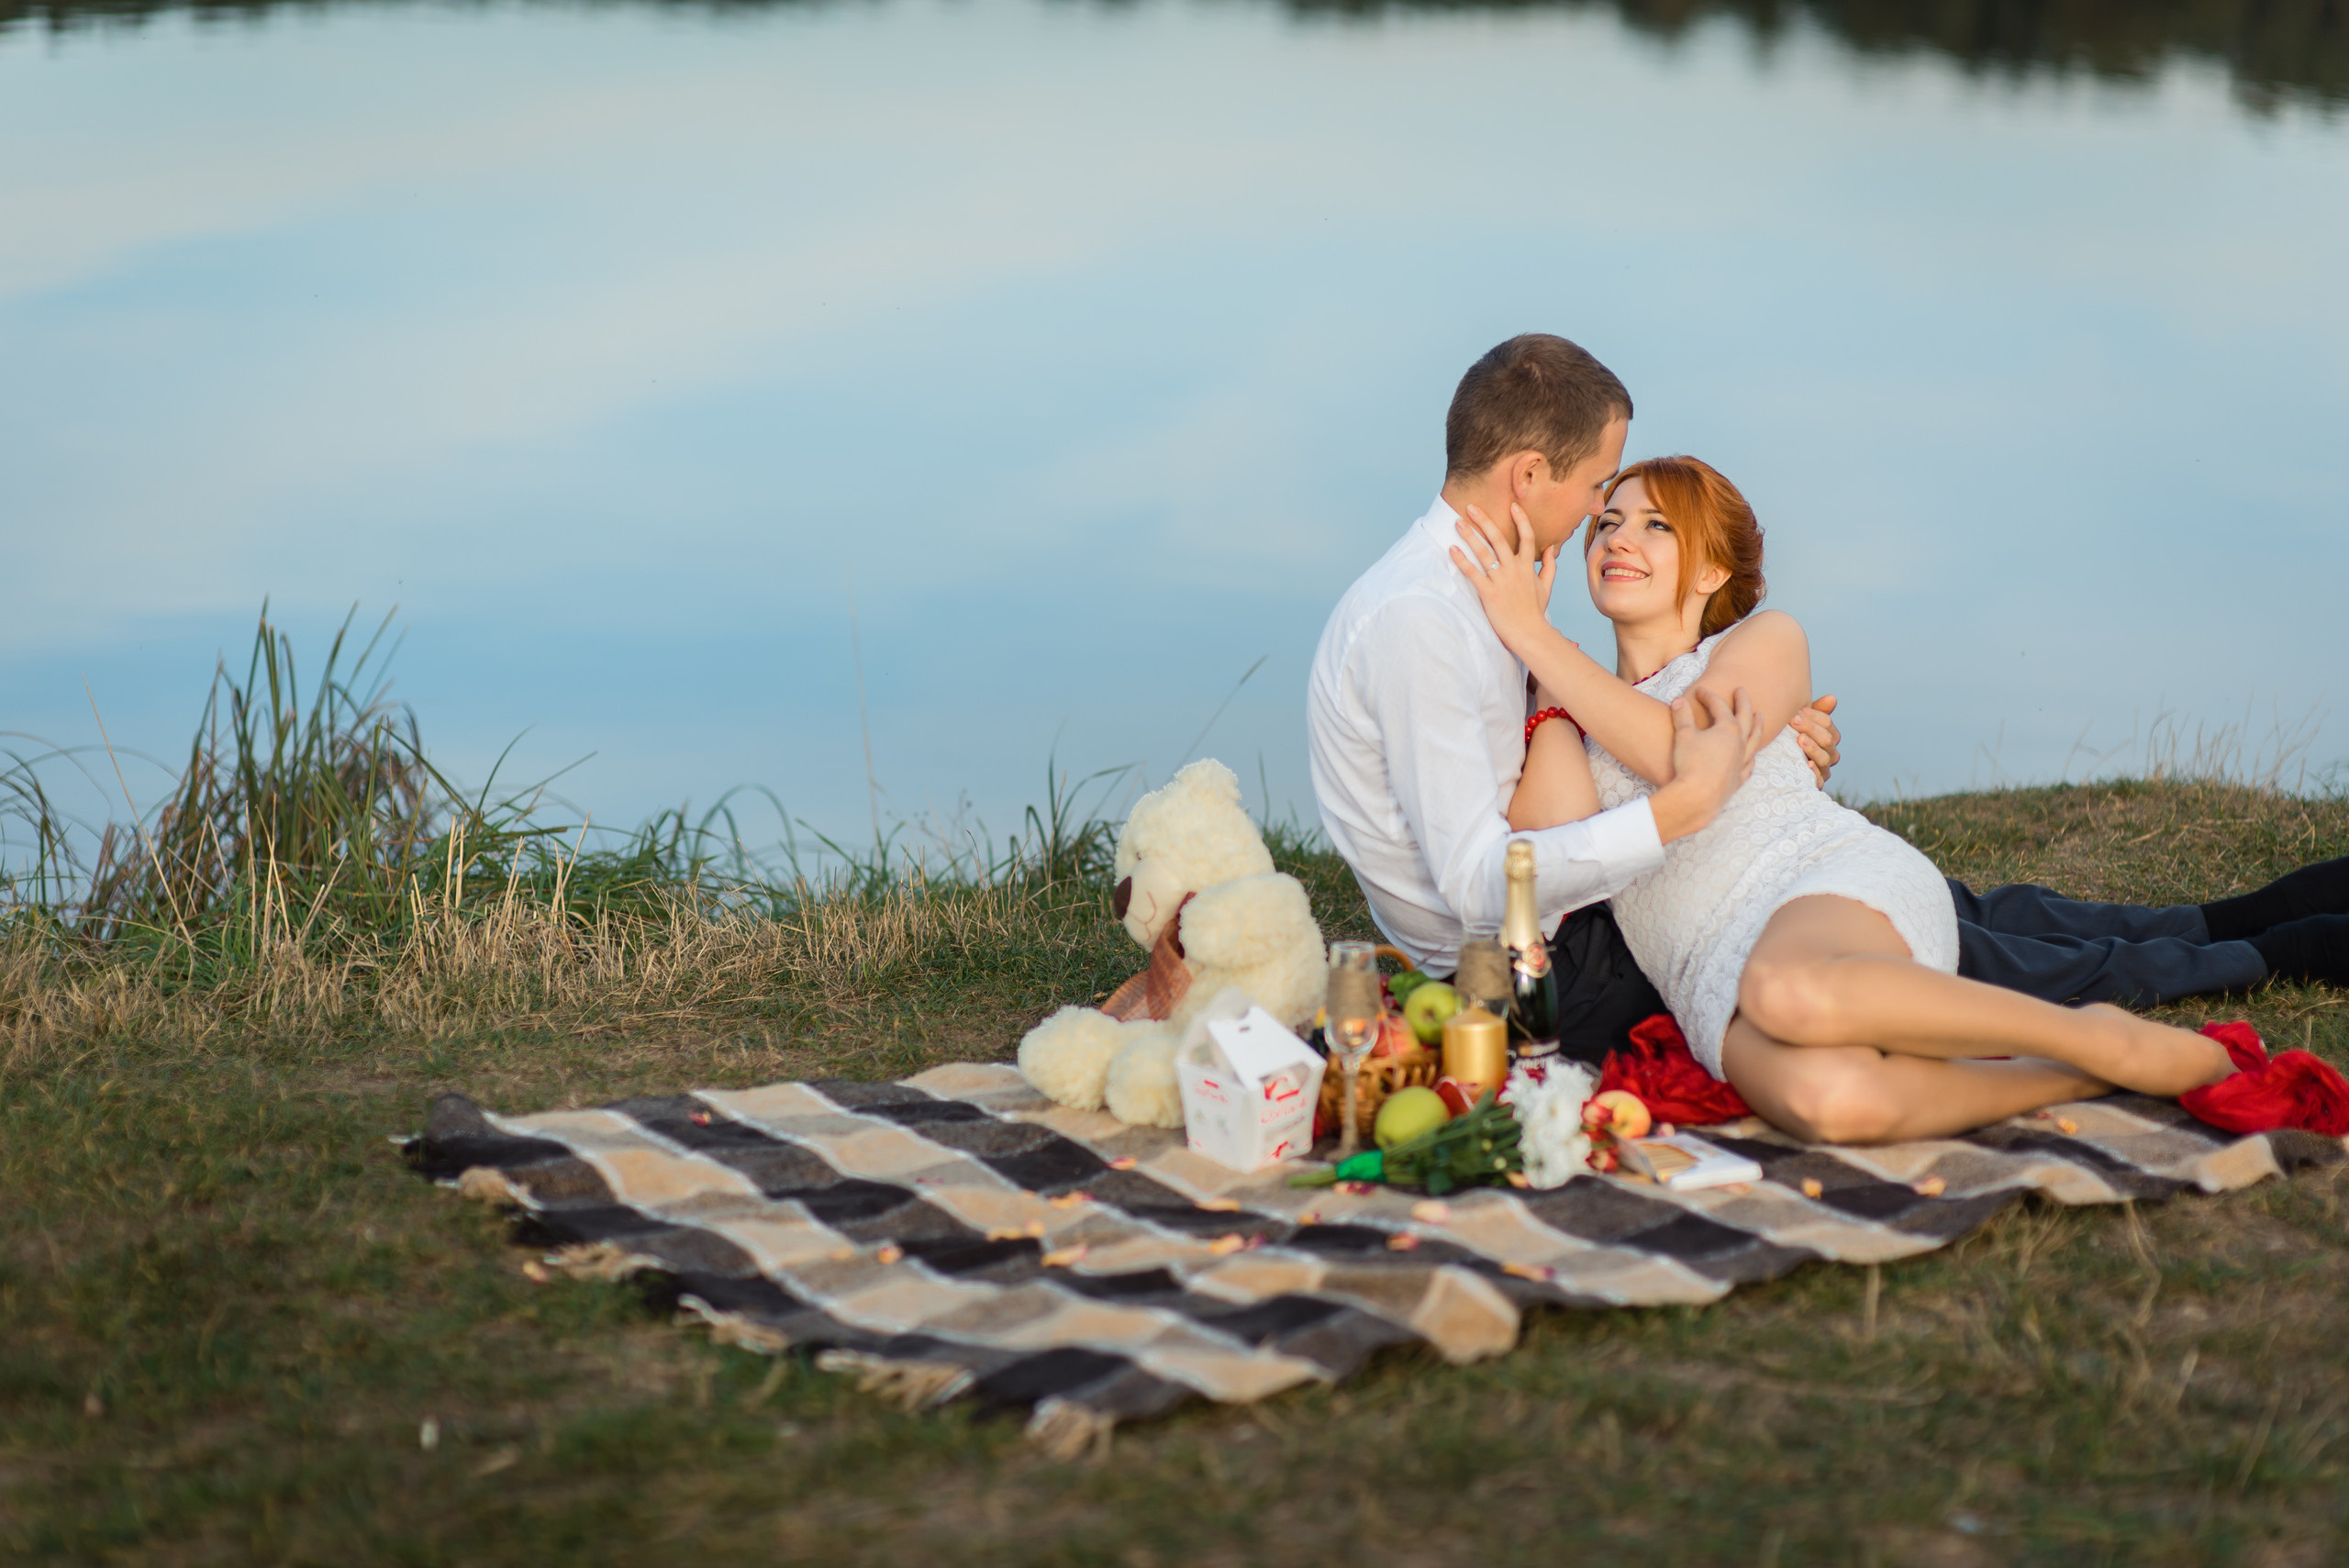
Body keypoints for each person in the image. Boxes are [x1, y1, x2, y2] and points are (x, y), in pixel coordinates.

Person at [1308, 333, 2349, 1070]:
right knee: (1964, 934)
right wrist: (1675, 790)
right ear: (1531, 473)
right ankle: (2256, 950)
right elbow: (1498, 867)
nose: (1603, 521)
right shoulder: (1433, 619)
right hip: (1560, 953)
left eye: (1641, 516)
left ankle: (2241, 919)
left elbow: (1629, 738)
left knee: (1972, 910)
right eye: (1599, 492)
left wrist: (1741, 751)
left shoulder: (1497, 603)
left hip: (1601, 904)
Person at [1448, 453, 2239, 1141]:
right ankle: (2068, 1075)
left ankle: (2095, 1037)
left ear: (1714, 570)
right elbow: (1544, 859)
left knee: (1788, 987)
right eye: (1607, 522)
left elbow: (1680, 756)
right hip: (1704, 974)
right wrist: (1543, 674)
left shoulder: (1760, 643)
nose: (1618, 538)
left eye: (1656, 525)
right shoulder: (1569, 715)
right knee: (1830, 1101)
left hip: (1819, 883)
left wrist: (1532, 634)